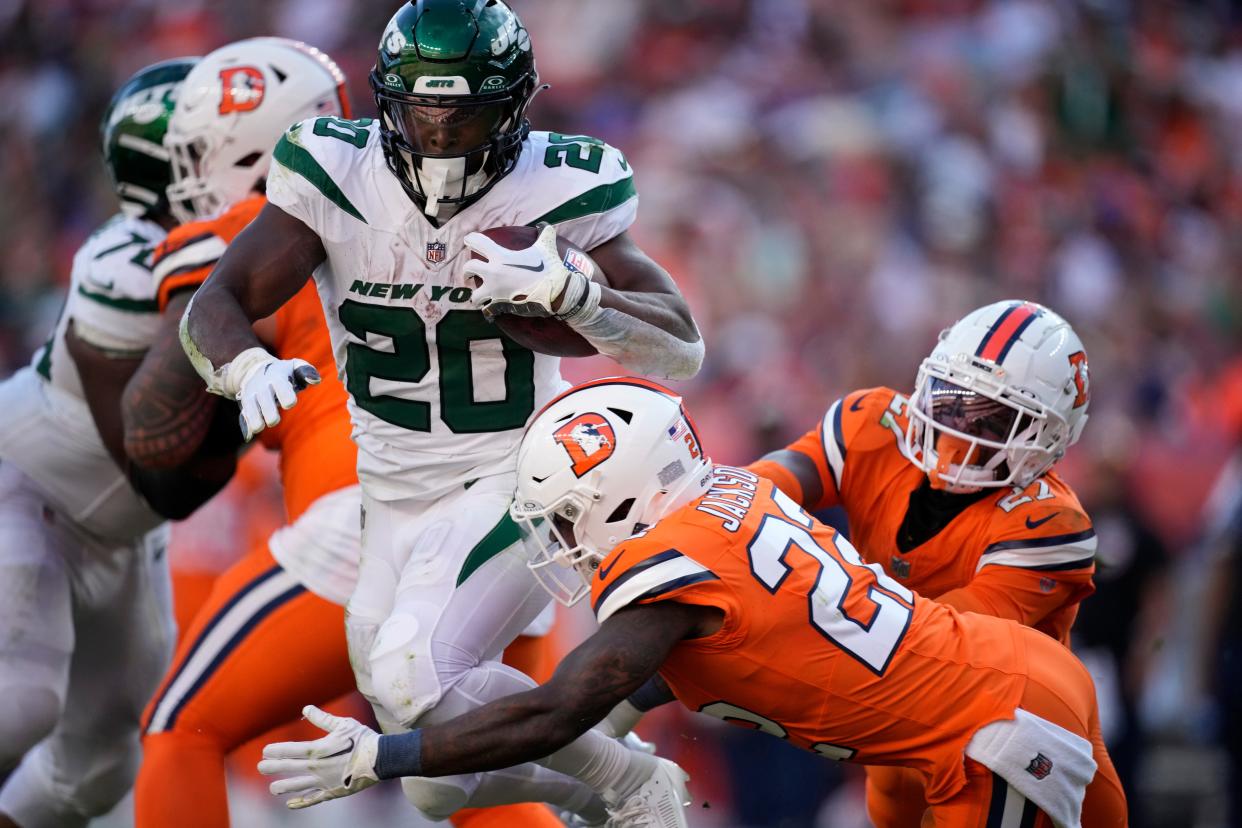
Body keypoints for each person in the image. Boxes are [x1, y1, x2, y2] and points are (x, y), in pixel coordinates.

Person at [178, 1, 703, 825]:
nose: (440, 130)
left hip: (518, 472)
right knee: (435, 784)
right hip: (387, 488)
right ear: (389, 99)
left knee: (407, 678)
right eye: (423, 106)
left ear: (515, 104)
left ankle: (629, 780)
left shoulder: (563, 180)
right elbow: (214, 306)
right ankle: (619, 770)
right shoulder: (334, 171)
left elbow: (681, 346)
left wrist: (577, 296)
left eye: (465, 110)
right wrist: (241, 368)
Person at [255, 377, 1128, 828]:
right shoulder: (732, 504)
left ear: (626, 496)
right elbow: (701, 655)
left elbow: (557, 709)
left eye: (567, 518)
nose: (561, 541)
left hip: (992, 730)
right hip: (1008, 693)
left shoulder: (671, 567)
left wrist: (390, 757)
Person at [120, 37, 565, 828]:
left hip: (372, 520)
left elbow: (152, 435)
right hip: (514, 531)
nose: (184, 180)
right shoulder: (482, 201)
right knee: (484, 786)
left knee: (181, 729)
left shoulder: (264, 220)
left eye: (197, 153)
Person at [735, 300, 1126, 826]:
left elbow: (921, 641)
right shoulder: (872, 423)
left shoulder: (1050, 525)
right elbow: (757, 492)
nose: (959, 428)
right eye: (950, 401)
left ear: (1048, 438)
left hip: (1010, 749)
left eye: (992, 418)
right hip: (895, 748)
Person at [0, 58, 239, 828]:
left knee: (99, 769)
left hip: (117, 532)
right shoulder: (125, 265)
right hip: (26, 480)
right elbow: (159, 475)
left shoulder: (264, 245)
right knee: (19, 699)